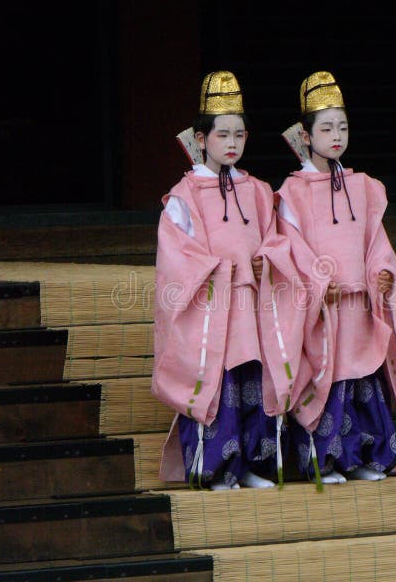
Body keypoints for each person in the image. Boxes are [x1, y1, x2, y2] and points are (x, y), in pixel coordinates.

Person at [152, 71, 305, 491]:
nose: (232, 143)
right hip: (211, 305)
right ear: (201, 140)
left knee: (255, 380)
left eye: (239, 134)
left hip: (253, 303)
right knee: (219, 383)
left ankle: (254, 463)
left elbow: (276, 239)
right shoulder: (185, 196)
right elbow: (175, 254)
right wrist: (217, 269)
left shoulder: (257, 191)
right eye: (223, 135)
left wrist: (267, 262)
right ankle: (217, 468)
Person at [276, 71, 396, 488]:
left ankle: (368, 457)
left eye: (342, 126)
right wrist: (319, 282)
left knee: (364, 375)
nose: (336, 135)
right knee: (331, 375)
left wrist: (383, 274)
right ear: (305, 136)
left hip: (360, 304)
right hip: (326, 305)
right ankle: (324, 461)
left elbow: (376, 240)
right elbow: (292, 247)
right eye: (326, 128)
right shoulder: (292, 192)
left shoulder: (364, 186)